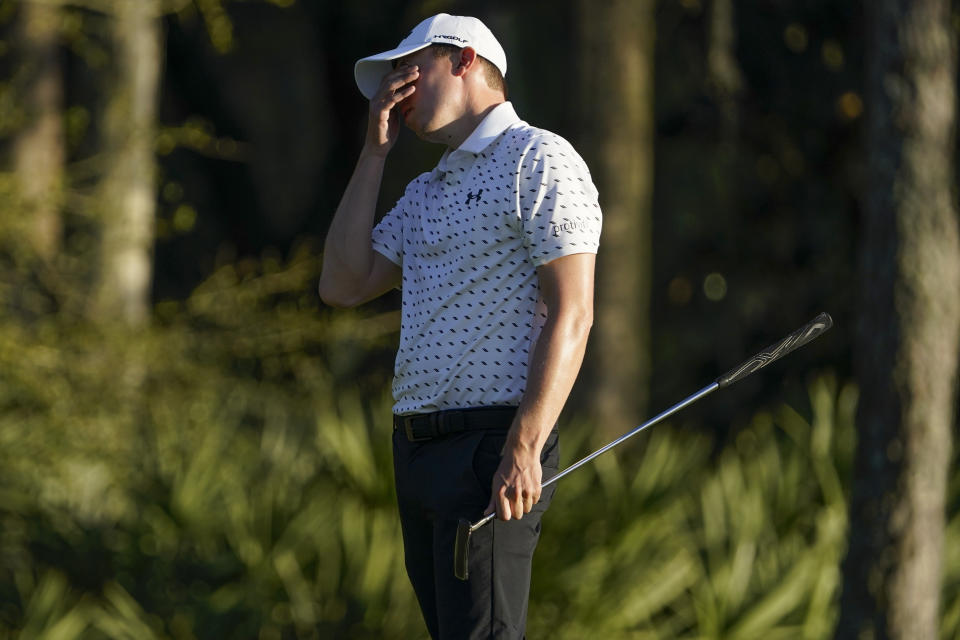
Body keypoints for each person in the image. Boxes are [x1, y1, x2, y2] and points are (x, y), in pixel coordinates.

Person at [318, 13, 602, 639]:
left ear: (466, 60)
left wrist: (524, 448)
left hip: (494, 446)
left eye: (409, 71)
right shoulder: (426, 189)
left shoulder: (539, 157)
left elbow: (571, 312)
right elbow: (341, 284)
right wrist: (374, 152)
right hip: (415, 448)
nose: (399, 90)